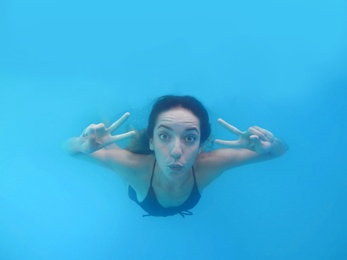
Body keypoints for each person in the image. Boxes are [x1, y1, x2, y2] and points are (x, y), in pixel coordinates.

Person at [66, 95, 288, 217]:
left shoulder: (210, 164)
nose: (175, 151)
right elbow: (67, 149)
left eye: (190, 138)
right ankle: (100, 104)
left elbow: (281, 151)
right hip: (140, 183)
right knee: (112, 148)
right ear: (151, 141)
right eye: (164, 136)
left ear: (202, 144)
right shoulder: (134, 167)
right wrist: (82, 143)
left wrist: (270, 143)